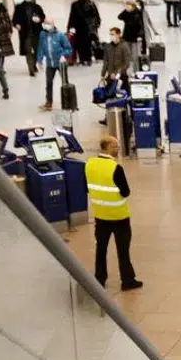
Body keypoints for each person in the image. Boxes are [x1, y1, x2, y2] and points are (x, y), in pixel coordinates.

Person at [86, 135, 142, 291]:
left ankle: (99, 279)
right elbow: (125, 192)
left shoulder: (89, 164)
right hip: (119, 216)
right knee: (123, 249)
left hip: (100, 215)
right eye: (116, 146)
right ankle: (127, 280)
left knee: (101, 248)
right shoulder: (115, 168)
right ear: (108, 148)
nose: (118, 149)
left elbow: (87, 187)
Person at [35, 19, 73, 112]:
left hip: (60, 63)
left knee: (65, 83)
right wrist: (39, 60)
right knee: (48, 83)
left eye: (48, 24)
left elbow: (68, 49)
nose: (46, 25)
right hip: (50, 64)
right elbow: (40, 48)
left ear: (53, 24)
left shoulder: (60, 35)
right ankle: (49, 102)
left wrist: (64, 55)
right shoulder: (42, 35)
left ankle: (68, 103)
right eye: (45, 23)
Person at [13, 0, 45, 77]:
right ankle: (31, 68)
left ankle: (34, 64)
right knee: (28, 51)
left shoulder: (37, 7)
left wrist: (39, 19)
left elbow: (43, 17)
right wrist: (17, 25)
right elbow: (14, 19)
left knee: (36, 50)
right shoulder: (19, 7)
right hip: (25, 33)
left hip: (36, 33)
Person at [68, 0, 101, 65]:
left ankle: (88, 59)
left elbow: (96, 15)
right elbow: (72, 16)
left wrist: (97, 24)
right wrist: (70, 27)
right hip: (78, 27)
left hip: (88, 28)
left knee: (88, 44)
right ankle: (82, 59)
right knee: (79, 44)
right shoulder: (75, 4)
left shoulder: (91, 4)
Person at [101, 26, 132, 94]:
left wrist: (117, 73)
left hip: (121, 76)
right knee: (109, 96)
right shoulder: (108, 47)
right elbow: (105, 62)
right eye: (110, 34)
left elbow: (127, 63)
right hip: (110, 76)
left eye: (113, 34)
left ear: (118, 35)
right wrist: (103, 75)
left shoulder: (124, 46)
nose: (111, 36)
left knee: (124, 95)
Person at [117, 1, 145, 66]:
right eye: (125, 6)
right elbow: (119, 17)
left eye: (127, 6)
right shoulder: (127, 13)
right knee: (126, 54)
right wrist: (125, 11)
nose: (126, 7)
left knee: (135, 56)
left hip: (135, 38)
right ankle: (125, 70)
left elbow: (141, 26)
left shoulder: (138, 13)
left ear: (132, 6)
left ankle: (136, 70)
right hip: (127, 37)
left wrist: (140, 36)